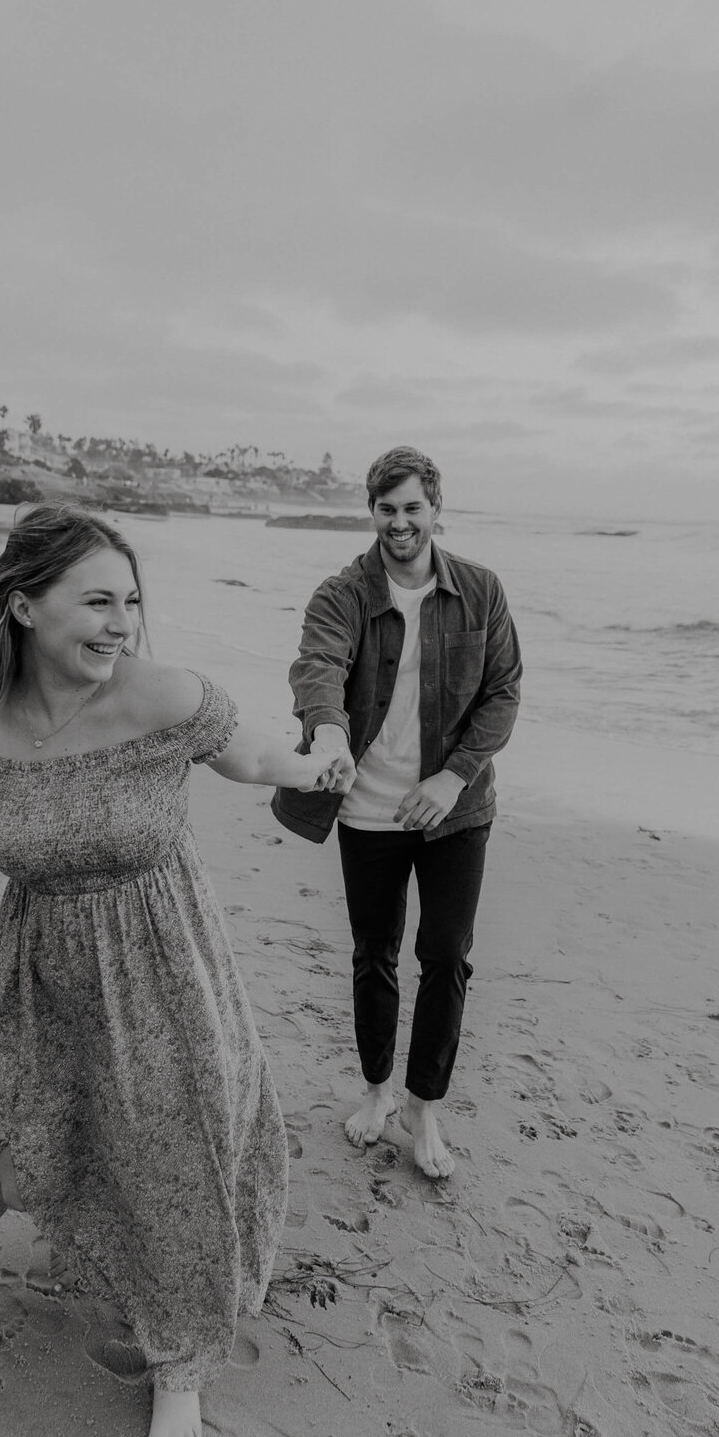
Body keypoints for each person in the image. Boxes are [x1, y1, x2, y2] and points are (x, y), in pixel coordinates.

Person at [0, 503, 351, 1437]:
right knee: (63, 1138)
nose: (121, 623)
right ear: (25, 608)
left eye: (131, 601)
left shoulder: (165, 698)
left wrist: (319, 761)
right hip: (45, 974)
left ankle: (180, 1363)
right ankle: (119, 1258)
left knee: (176, 1144)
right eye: (98, 601)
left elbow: (257, 758)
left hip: (166, 959)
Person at [272, 446, 521, 1180]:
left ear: (437, 509)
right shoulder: (342, 593)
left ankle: (423, 1106)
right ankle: (378, 1091)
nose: (400, 523)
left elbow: (502, 693)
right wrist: (328, 733)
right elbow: (318, 667)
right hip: (367, 810)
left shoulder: (480, 590)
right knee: (373, 954)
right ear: (371, 511)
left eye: (413, 508)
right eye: (387, 509)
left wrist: (452, 776)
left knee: (446, 957)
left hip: (457, 812)